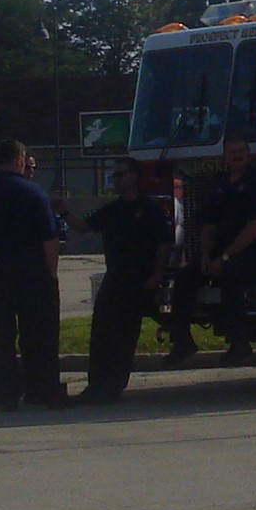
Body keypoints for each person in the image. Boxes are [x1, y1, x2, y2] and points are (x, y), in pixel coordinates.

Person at [0, 139, 70, 411]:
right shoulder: (33, 194)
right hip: (31, 276)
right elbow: (49, 238)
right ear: (20, 160)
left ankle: (1, 393)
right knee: (38, 335)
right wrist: (51, 274)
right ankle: (41, 390)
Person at [166, 132, 256, 368]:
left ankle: (239, 342)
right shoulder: (221, 186)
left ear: (249, 155)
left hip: (253, 253)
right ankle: (182, 342)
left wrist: (225, 257)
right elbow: (209, 225)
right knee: (185, 277)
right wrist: (205, 255)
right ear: (224, 156)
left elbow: (254, 228)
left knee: (231, 275)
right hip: (219, 254)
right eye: (232, 152)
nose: (237, 156)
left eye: (241, 152)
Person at [82, 156, 173, 403]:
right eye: (115, 175)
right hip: (115, 279)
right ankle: (95, 386)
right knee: (101, 333)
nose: (117, 179)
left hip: (138, 281)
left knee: (124, 336)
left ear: (134, 176)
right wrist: (63, 212)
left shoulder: (149, 209)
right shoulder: (112, 210)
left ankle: (113, 388)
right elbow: (84, 226)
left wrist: (157, 274)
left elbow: (165, 243)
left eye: (121, 174)